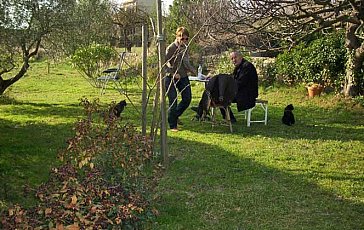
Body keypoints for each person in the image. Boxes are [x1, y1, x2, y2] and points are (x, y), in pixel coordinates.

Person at [165, 27, 197, 131]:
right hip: (171, 78)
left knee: (187, 99)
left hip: (183, 76)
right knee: (173, 100)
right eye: (182, 38)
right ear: (177, 37)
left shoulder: (185, 48)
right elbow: (163, 63)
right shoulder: (171, 48)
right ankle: (173, 125)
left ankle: (175, 115)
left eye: (186, 39)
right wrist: (173, 73)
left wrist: (195, 71)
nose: (184, 41)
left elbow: (186, 62)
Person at [221, 51, 259, 122]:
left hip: (247, 94)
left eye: (235, 57)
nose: (233, 60)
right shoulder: (239, 67)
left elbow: (240, 83)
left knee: (222, 97)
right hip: (240, 92)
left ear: (241, 57)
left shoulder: (247, 66)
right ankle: (201, 111)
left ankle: (230, 118)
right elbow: (233, 79)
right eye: (232, 58)